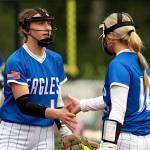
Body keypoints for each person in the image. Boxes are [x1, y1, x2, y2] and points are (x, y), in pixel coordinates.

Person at [67, 12, 150, 150]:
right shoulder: (142, 62)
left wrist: (107, 146)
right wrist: (82, 105)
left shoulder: (118, 64)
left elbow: (118, 109)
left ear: (111, 35)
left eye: (104, 33)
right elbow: (118, 99)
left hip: (126, 137)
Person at [0, 8, 77, 150]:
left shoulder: (55, 59)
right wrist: (56, 113)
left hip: (45, 134)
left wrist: (64, 129)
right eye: (41, 23)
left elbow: (56, 100)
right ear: (26, 29)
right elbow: (24, 104)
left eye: (48, 23)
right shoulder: (16, 61)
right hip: (15, 132)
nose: (47, 28)